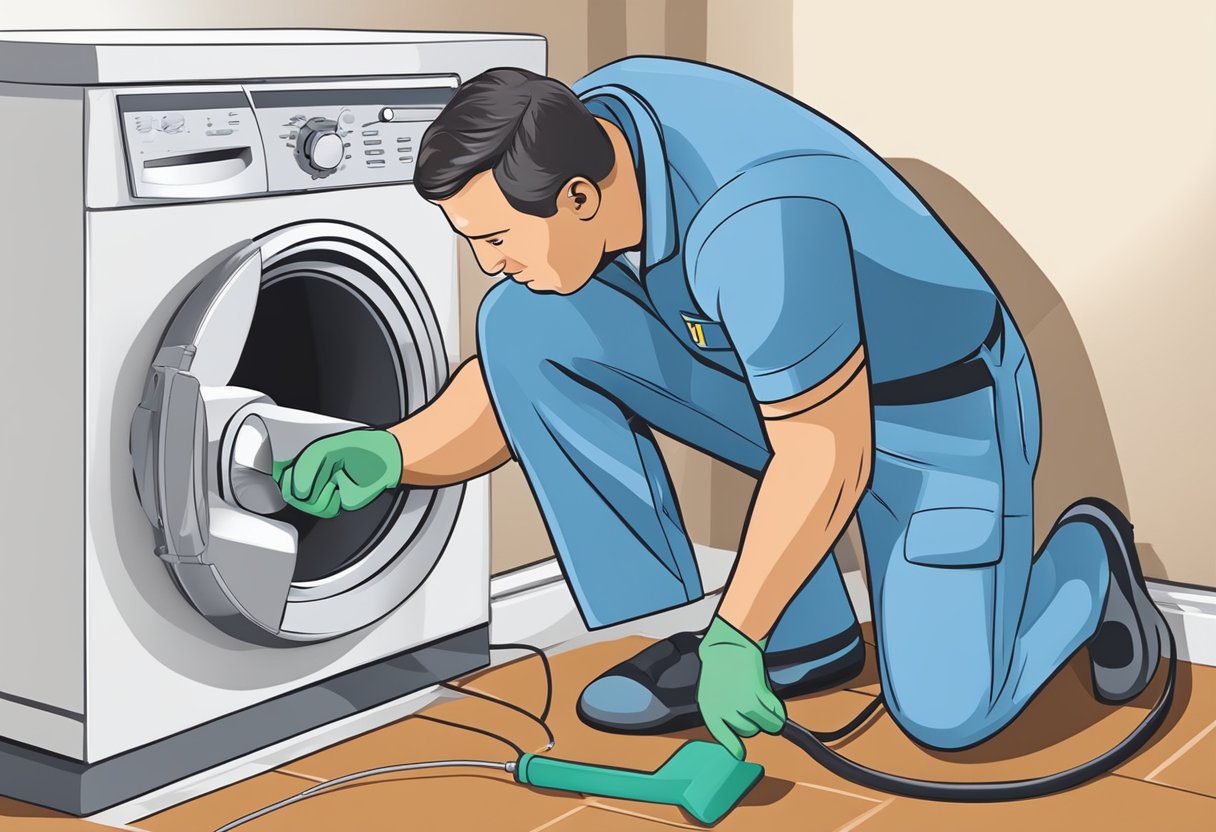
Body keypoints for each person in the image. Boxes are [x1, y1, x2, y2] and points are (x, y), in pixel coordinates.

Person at [274, 59, 1168, 760]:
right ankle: (775, 638)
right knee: (519, 322)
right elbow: (518, 369)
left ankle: (1089, 560)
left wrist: (737, 632)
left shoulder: (755, 224)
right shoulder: (591, 129)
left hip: (942, 416)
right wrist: (393, 453)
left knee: (949, 717)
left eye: (497, 239)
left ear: (580, 198)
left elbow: (829, 453)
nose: (486, 259)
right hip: (781, 383)